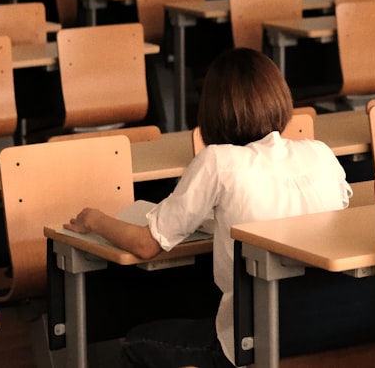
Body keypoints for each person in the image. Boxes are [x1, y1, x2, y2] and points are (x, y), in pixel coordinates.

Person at [65, 48, 353, 367]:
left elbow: (146, 245)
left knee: (135, 343)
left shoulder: (218, 161)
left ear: (212, 111)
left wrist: (95, 219)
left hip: (256, 341)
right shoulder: (320, 152)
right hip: (339, 329)